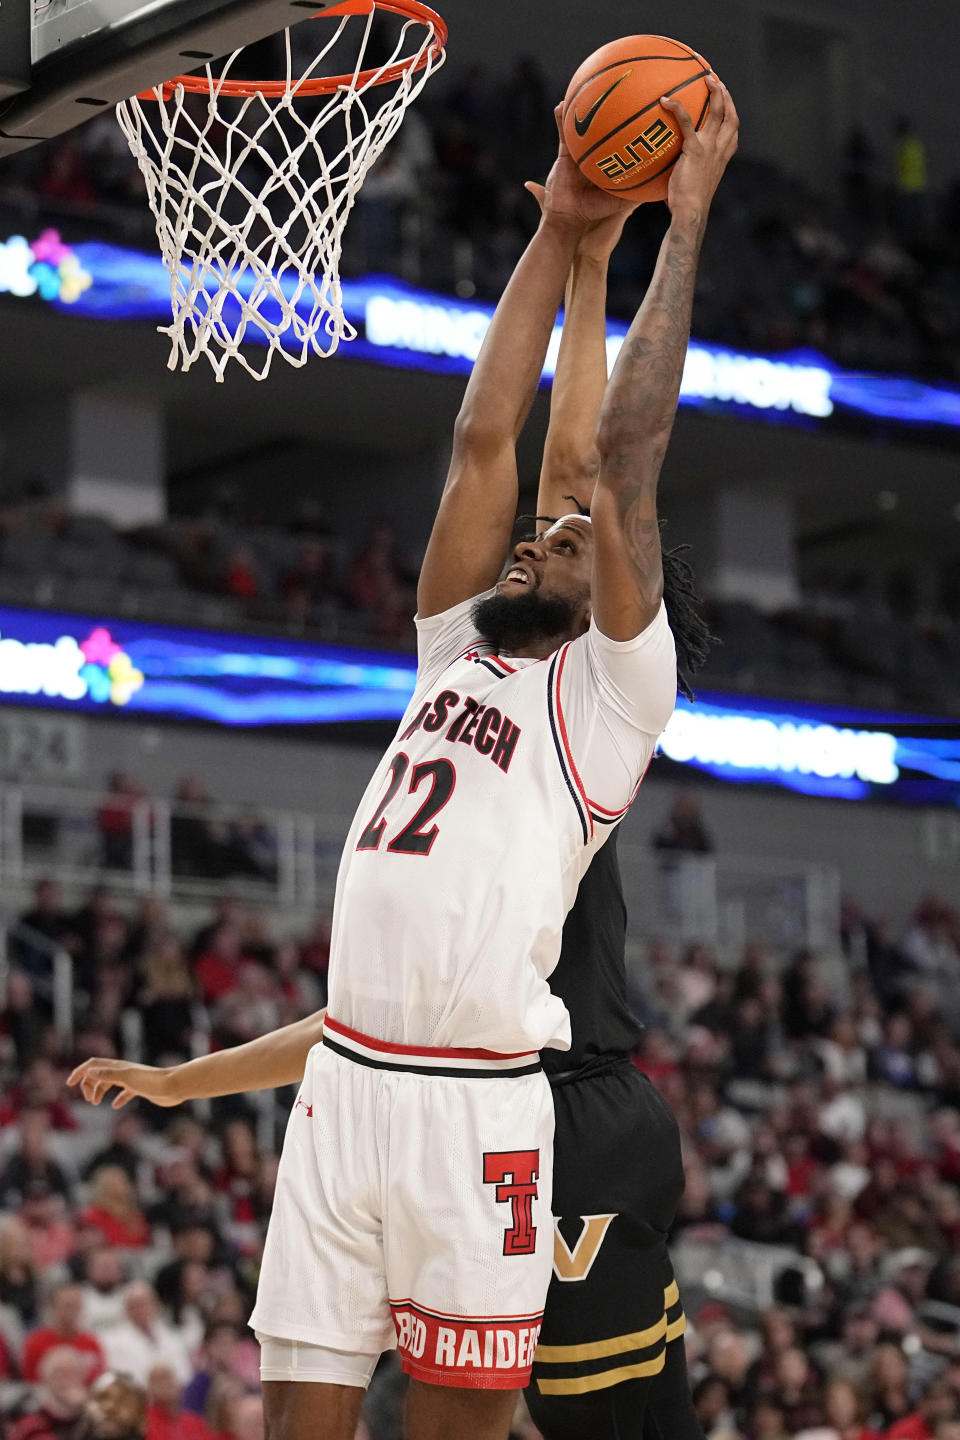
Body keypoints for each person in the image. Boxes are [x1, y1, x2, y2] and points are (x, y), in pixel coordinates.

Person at [70, 78, 738, 1440]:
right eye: (536, 534)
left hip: (480, 1123)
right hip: (348, 1089)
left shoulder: (609, 695)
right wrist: (560, 237)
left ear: (618, 585)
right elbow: (489, 438)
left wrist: (684, 227)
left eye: (564, 542)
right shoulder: (454, 649)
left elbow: (613, 465)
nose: (538, 534)